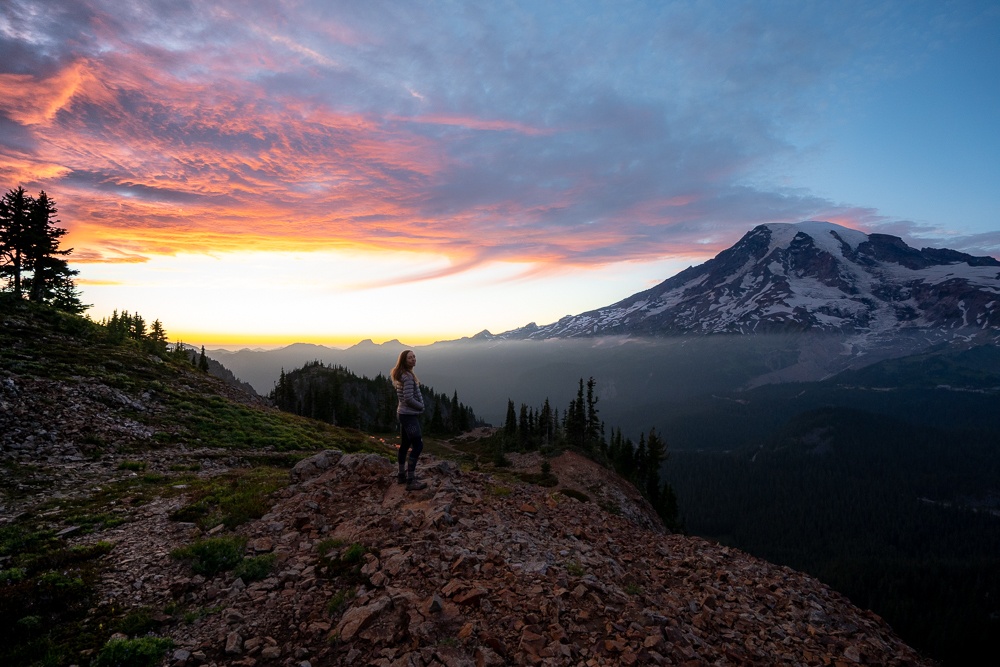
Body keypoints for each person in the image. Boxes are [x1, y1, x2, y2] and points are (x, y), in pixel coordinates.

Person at [391, 349, 427, 490]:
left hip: (403, 414)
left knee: (405, 444)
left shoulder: (401, 374)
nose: (413, 359)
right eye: (410, 358)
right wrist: (421, 407)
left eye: (414, 357)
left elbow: (403, 398)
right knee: (418, 445)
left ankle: (401, 476)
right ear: (404, 361)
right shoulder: (407, 377)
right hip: (409, 416)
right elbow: (408, 398)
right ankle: (410, 481)